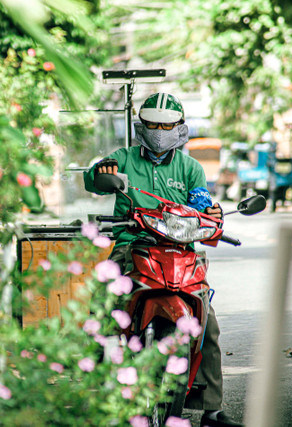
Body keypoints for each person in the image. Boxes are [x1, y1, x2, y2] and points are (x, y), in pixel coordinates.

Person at [83, 92, 242, 427]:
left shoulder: (190, 168)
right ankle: (99, 389)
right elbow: (93, 178)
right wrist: (102, 171)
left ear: (180, 128)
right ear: (141, 125)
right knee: (102, 308)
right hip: (133, 246)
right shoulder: (124, 158)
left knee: (208, 325)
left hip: (180, 252)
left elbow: (201, 204)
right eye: (153, 124)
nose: (159, 130)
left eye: (167, 125)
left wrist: (209, 213)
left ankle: (212, 409)